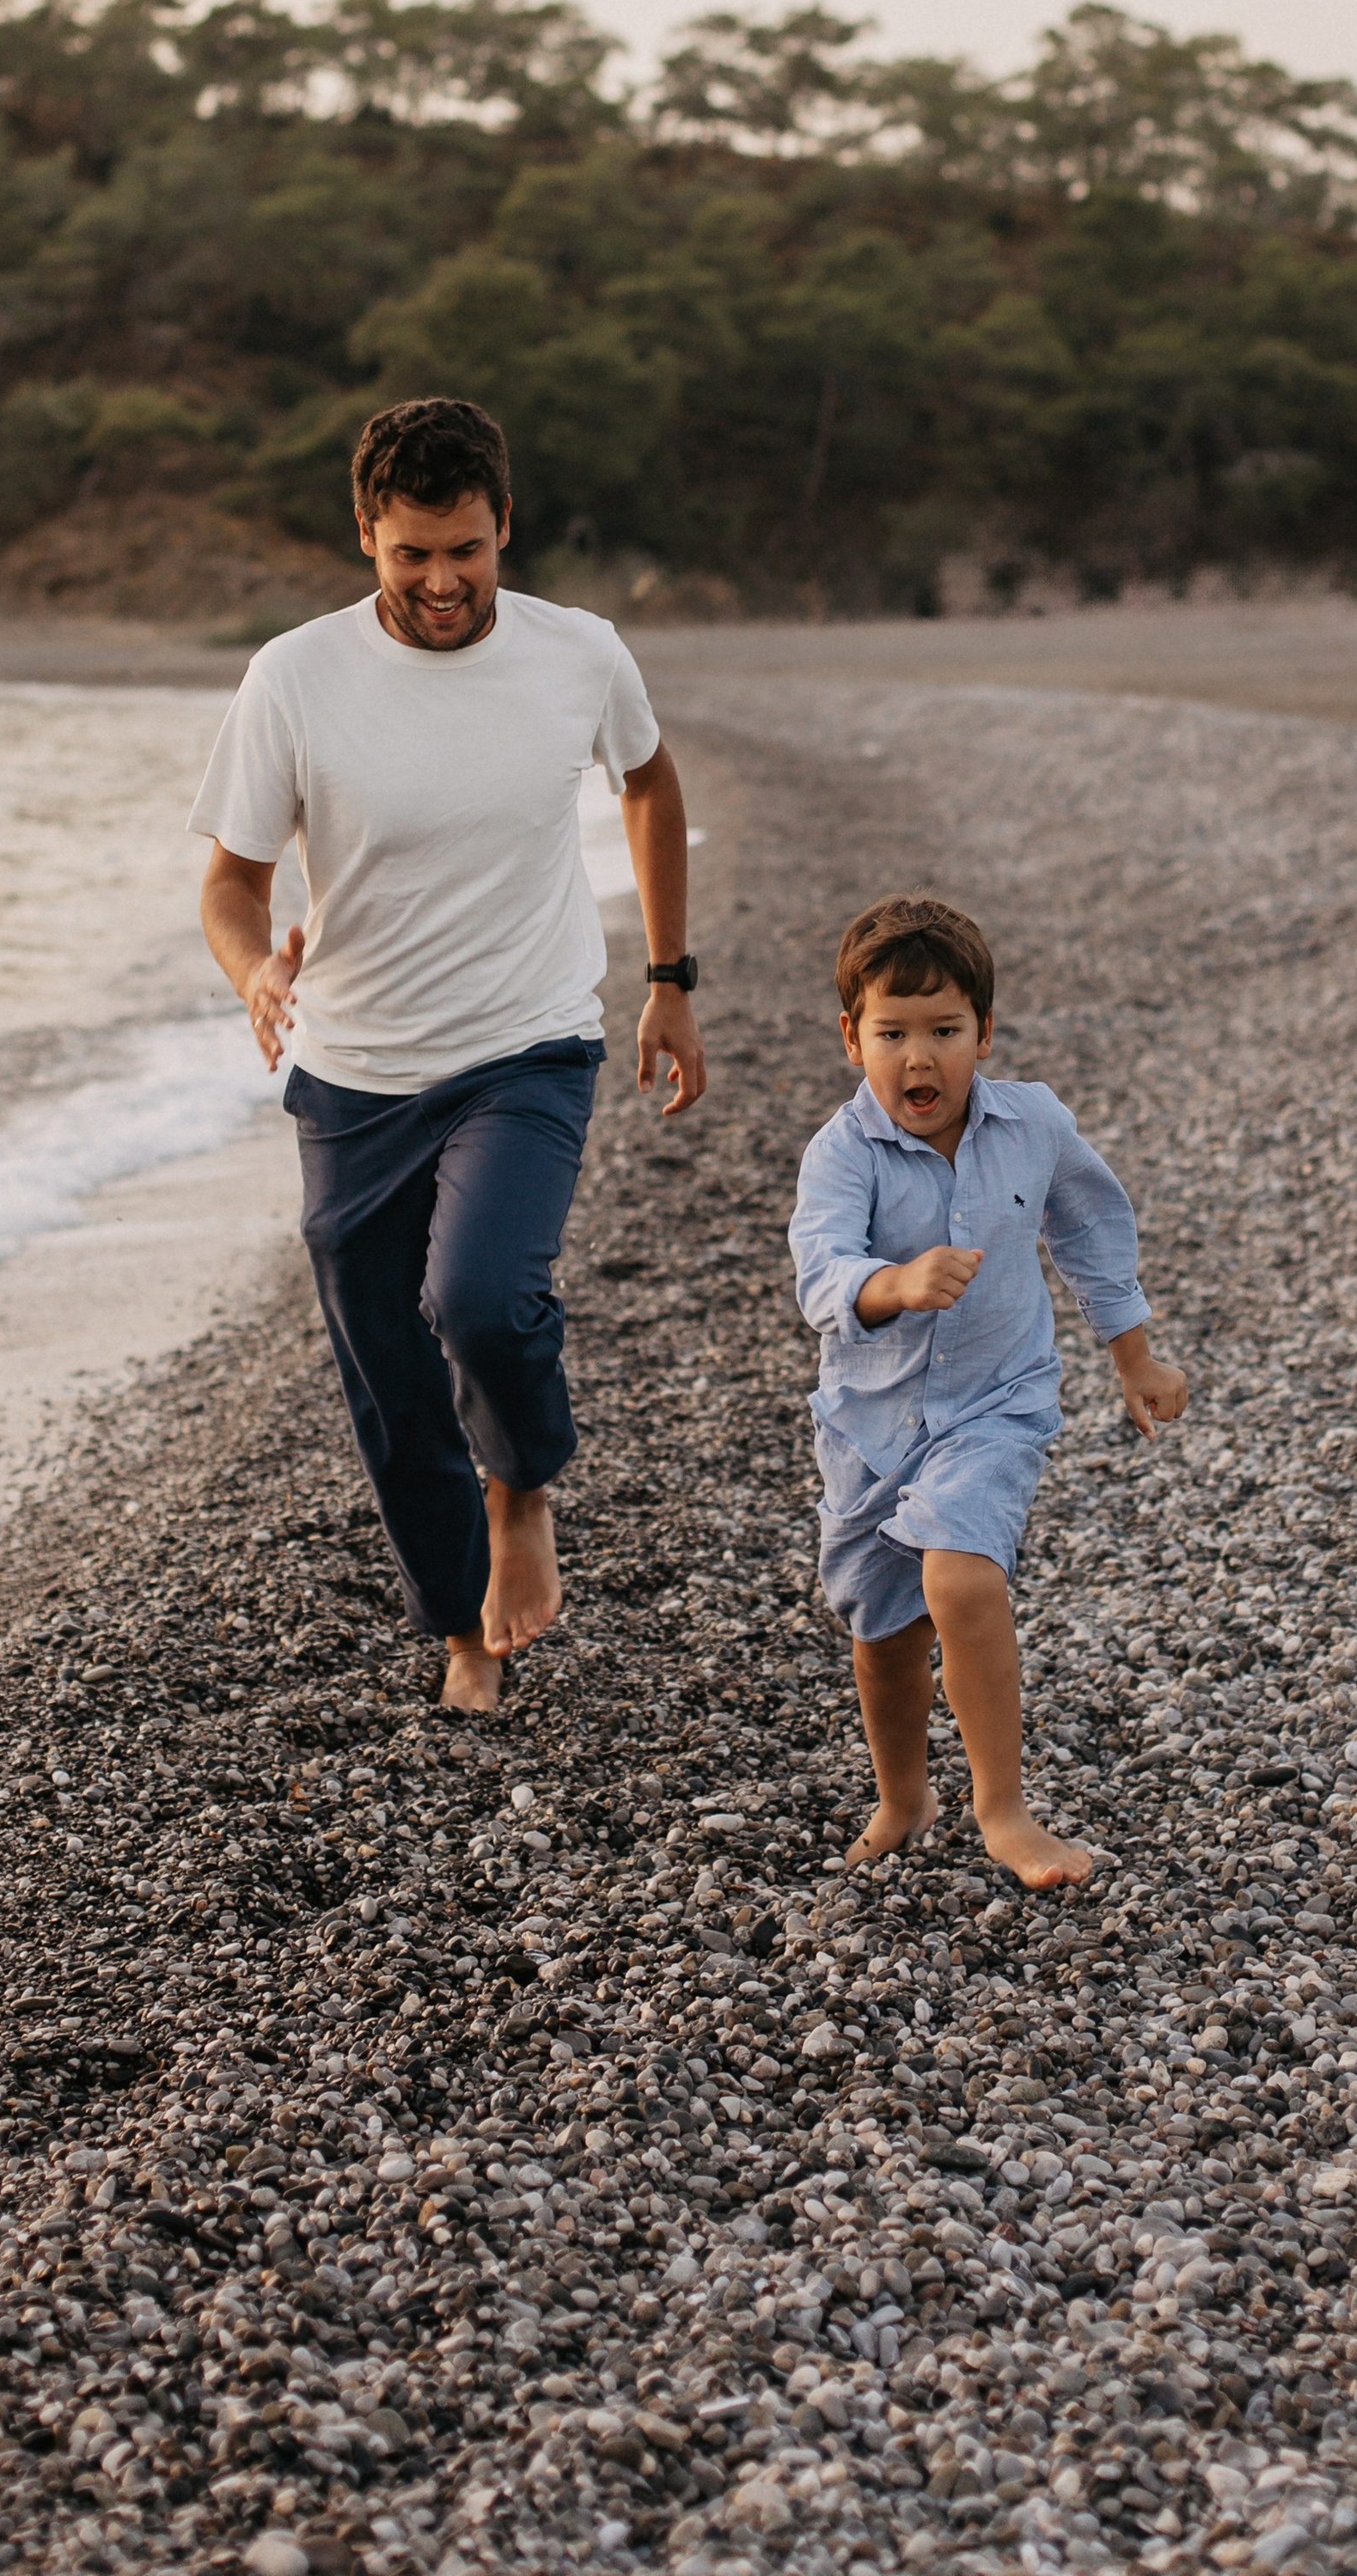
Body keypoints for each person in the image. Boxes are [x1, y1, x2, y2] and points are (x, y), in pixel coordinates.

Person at [188, 395, 705, 1713]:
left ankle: (523, 1486)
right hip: (352, 1071)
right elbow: (232, 885)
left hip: (523, 1046)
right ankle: (464, 1631)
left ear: (504, 528)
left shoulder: (576, 653)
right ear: (366, 535)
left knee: (482, 1300)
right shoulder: (293, 679)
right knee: (391, 1377)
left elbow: (648, 782)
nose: (440, 582)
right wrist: (255, 975)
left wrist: (667, 978)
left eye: (464, 550)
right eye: (410, 552)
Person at [788, 894, 1188, 1887]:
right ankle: (902, 1796)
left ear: (984, 1034)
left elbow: (1089, 1231)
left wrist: (1132, 1355)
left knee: (959, 1573)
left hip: (996, 1406)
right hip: (872, 1430)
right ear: (852, 1039)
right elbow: (820, 1273)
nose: (917, 1059)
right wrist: (896, 1283)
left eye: (943, 1032)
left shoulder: (1033, 1124)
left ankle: (1002, 1811)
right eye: (892, 1034)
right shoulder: (841, 1154)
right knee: (882, 1633)